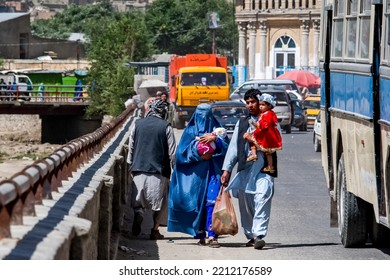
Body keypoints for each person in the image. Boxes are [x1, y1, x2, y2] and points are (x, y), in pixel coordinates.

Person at [220, 88, 277, 250]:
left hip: (265, 166)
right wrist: (227, 170)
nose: (250, 105)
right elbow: (233, 147)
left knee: (263, 196)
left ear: (261, 102)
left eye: (253, 102)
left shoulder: (270, 119)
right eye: (248, 102)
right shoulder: (242, 122)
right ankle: (251, 234)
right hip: (245, 167)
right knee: (246, 204)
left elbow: (275, 140)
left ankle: (259, 234)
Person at [167, 103, 229, 248]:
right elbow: (182, 153)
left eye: (206, 114)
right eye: (201, 114)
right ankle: (200, 234)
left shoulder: (217, 130)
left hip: (213, 172)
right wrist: (199, 153)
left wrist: (215, 141)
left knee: (212, 202)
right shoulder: (190, 132)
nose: (204, 118)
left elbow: (227, 148)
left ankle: (212, 235)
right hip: (195, 176)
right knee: (197, 204)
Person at [127, 98, 176, 240]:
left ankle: (139, 214)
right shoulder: (166, 126)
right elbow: (172, 152)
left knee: (138, 200)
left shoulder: (137, 124)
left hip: (138, 168)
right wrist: (175, 168)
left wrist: (131, 164)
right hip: (159, 172)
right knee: (160, 203)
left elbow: (131, 146)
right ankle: (154, 229)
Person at [245, 93, 282, 175]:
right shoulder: (264, 114)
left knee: (253, 139)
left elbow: (265, 125)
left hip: (266, 135)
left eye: (263, 105)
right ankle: (255, 155)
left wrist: (257, 125)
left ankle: (267, 164)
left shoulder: (268, 114)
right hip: (264, 133)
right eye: (260, 105)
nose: (260, 107)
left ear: (269, 106)